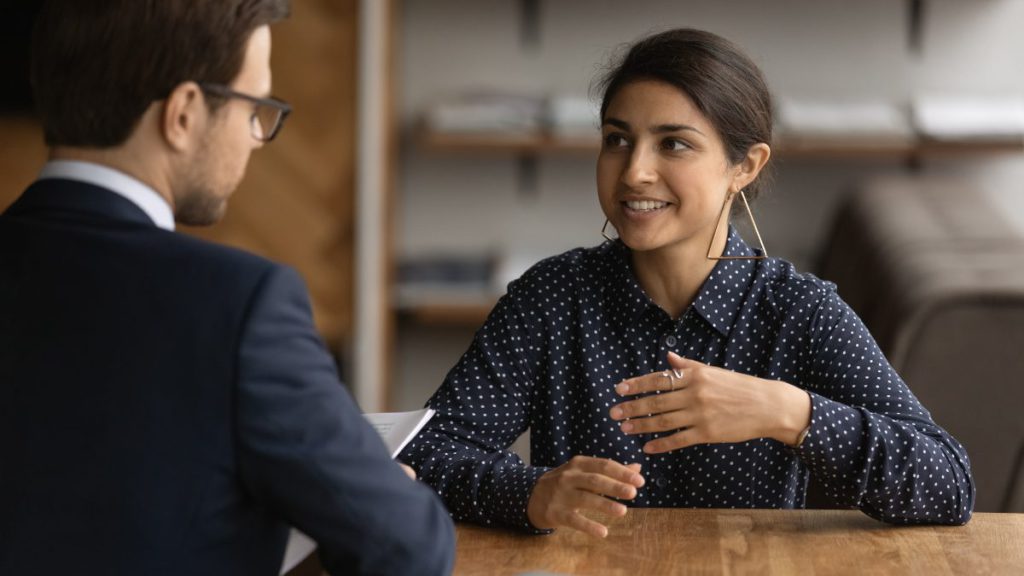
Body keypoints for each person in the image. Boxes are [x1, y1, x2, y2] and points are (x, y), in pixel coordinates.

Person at [400, 28, 975, 538]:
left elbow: (949, 484)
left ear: (744, 166)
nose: (633, 172)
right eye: (617, 139)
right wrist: (529, 492)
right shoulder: (552, 297)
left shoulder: (800, 311)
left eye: (673, 143)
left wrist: (788, 411)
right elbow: (426, 454)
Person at [0, 1, 454, 574]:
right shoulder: (240, 304)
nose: (258, 139)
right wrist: (387, 492)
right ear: (184, 112)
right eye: (254, 108)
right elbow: (408, 548)